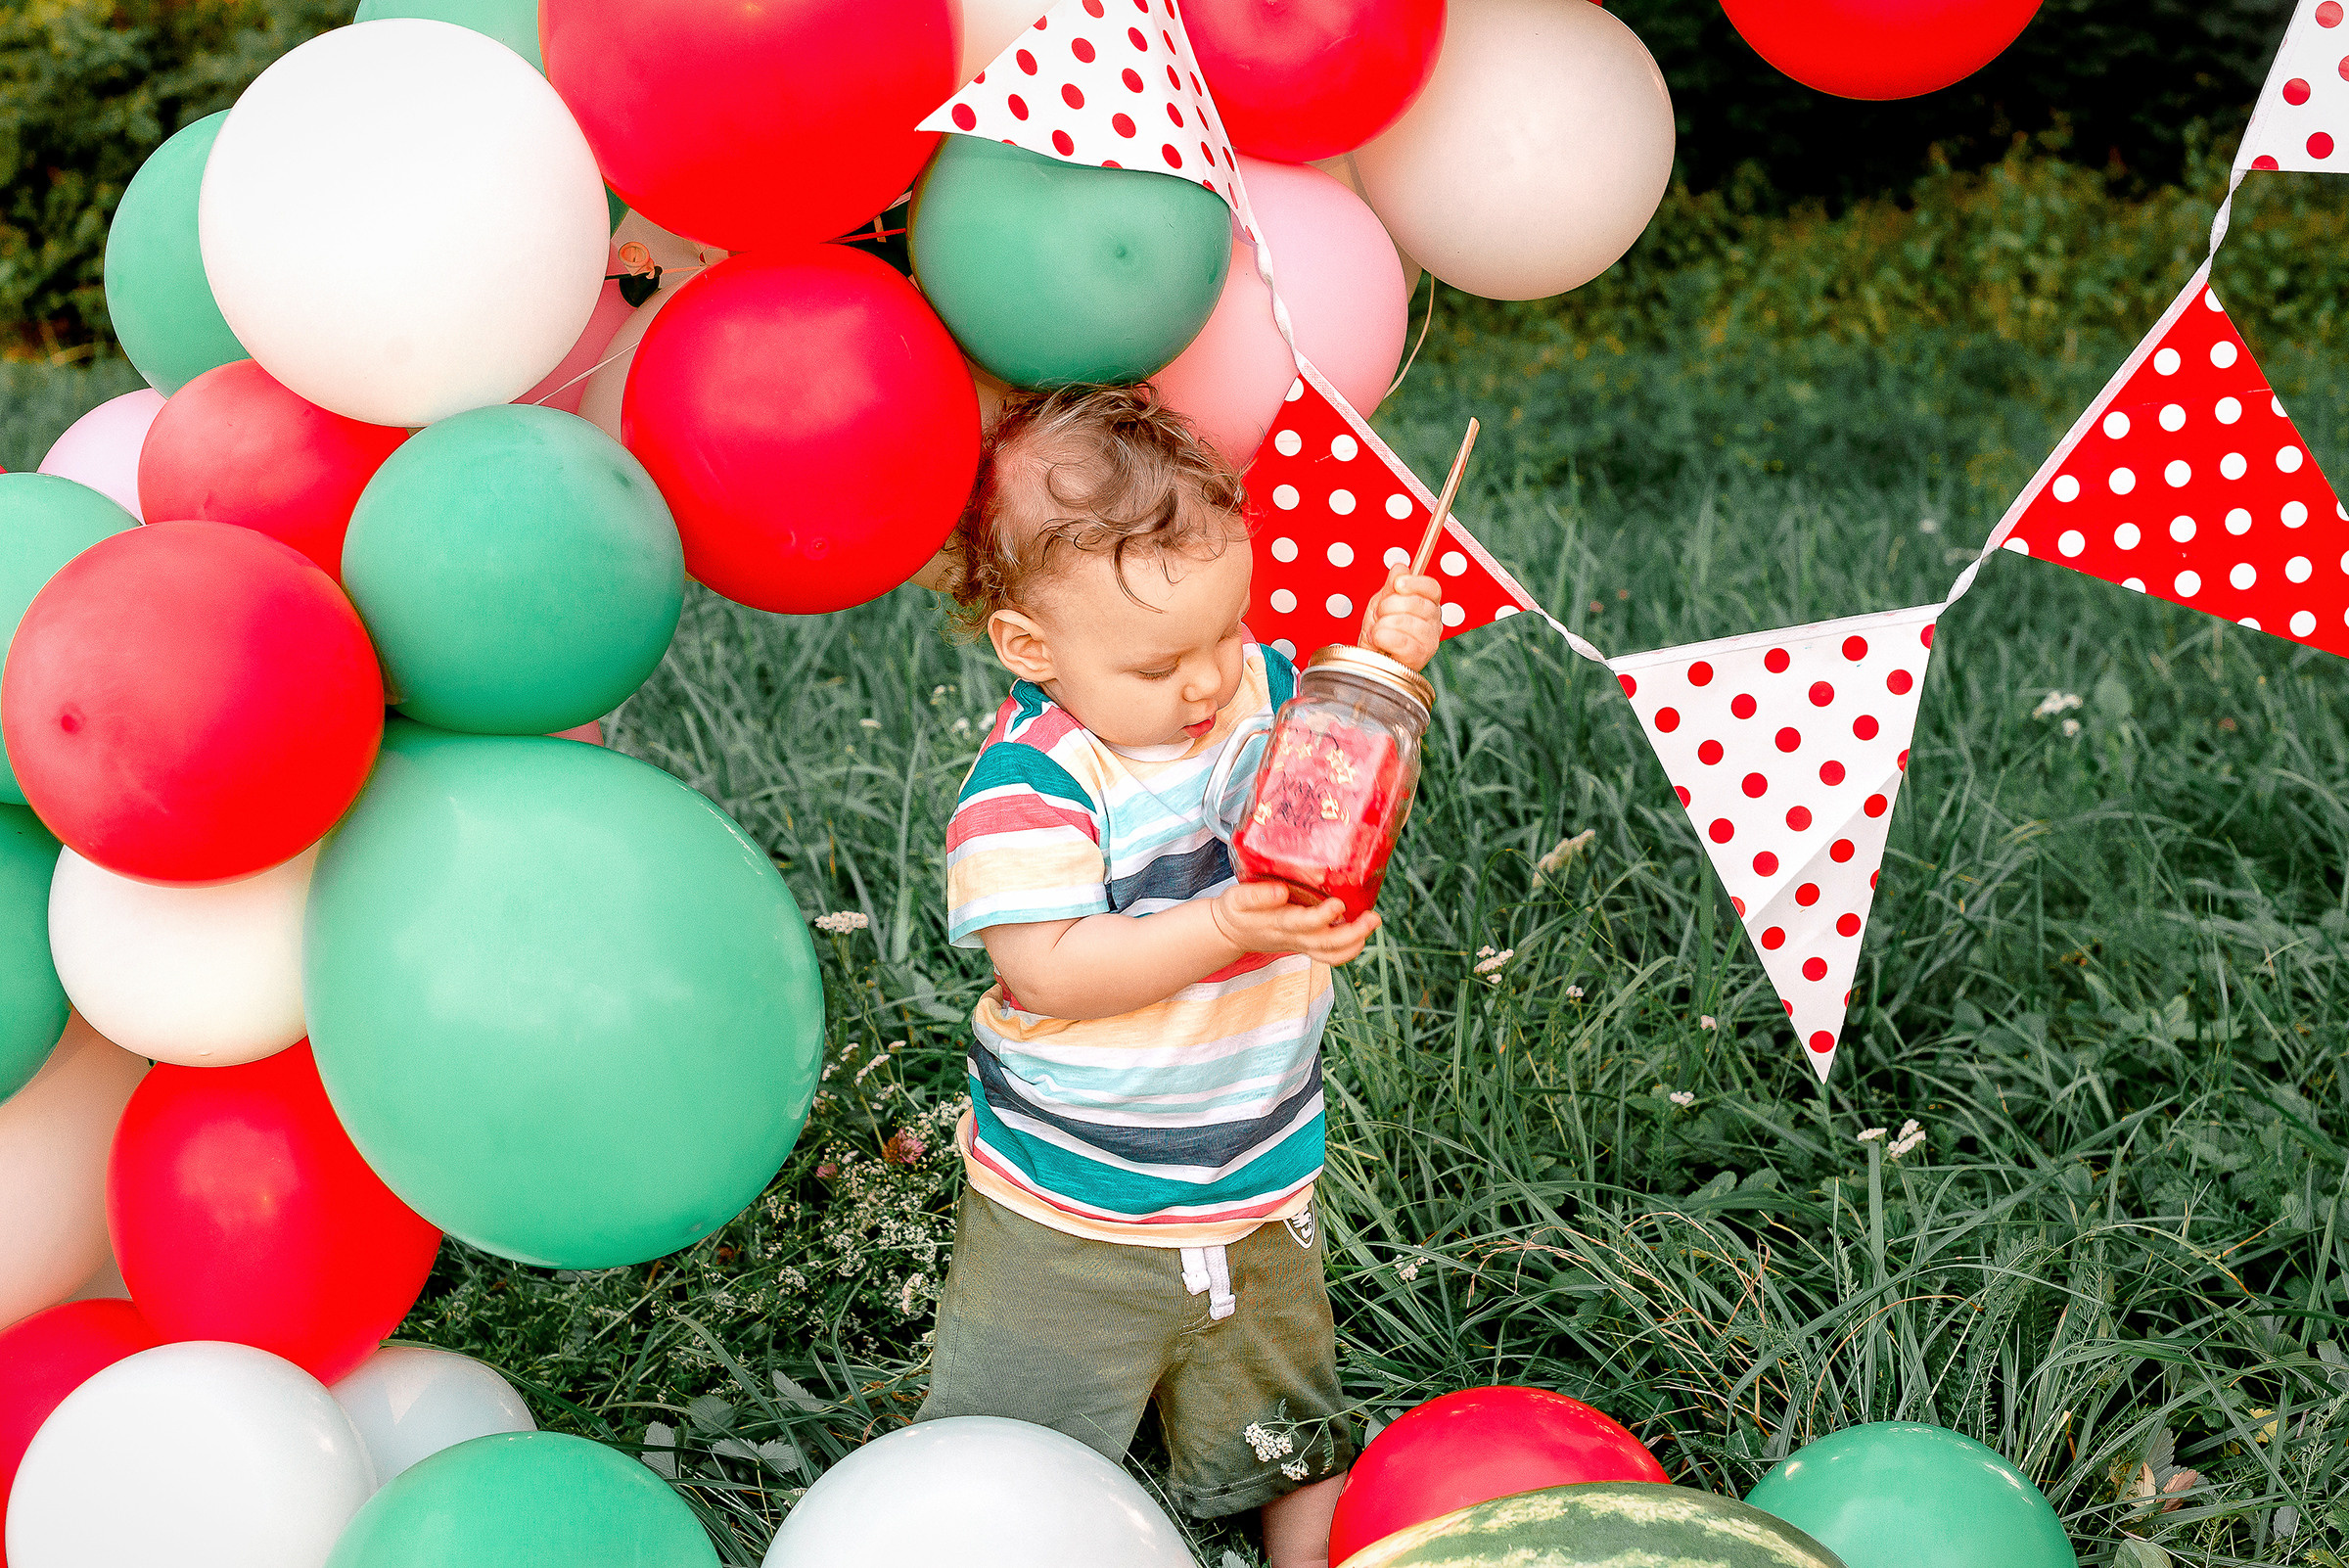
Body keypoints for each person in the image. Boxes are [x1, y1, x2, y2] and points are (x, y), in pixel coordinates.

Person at [917, 383, 1443, 1568]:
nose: (1212, 681)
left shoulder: (1246, 682)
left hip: (1256, 1170)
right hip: (1073, 1199)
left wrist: (1387, 654)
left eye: (1228, 631)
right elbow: (1045, 970)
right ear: (1031, 649)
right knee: (1009, 1455)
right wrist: (1224, 929)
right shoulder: (1032, 788)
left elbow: (1327, 768)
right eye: (1163, 664)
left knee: (1294, 1443)